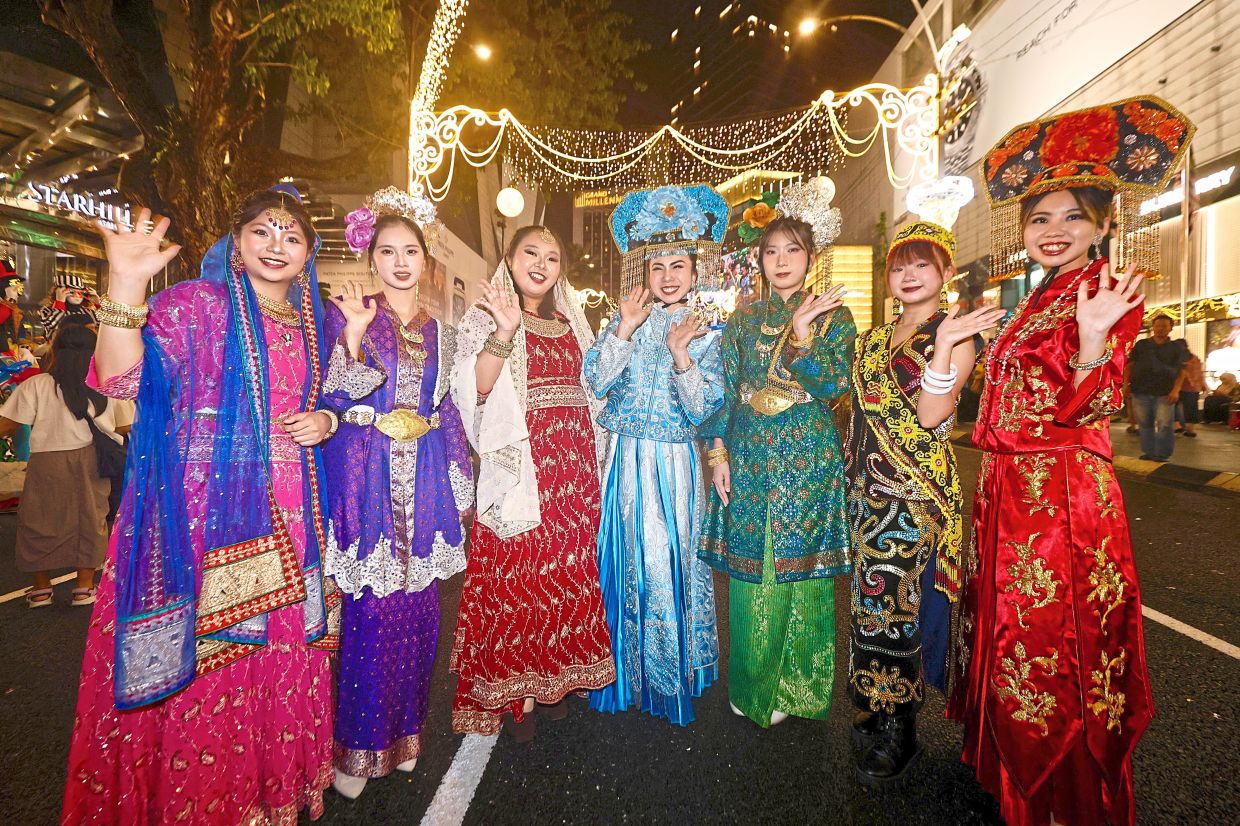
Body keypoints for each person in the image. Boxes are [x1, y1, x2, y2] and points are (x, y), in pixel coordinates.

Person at [62, 187, 342, 824]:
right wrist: (126, 285)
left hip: (295, 510)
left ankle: (263, 796)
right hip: (202, 509)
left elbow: (332, 401)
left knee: (281, 653)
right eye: (263, 232)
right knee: (210, 662)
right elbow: (123, 379)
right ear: (236, 243)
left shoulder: (315, 326)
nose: (277, 246)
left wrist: (324, 419)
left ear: (309, 254)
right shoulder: (198, 305)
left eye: (292, 236)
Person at [950, 96, 1195, 826]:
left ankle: (1060, 793)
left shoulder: (1108, 293)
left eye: (1072, 217)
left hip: (1059, 499)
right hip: (1010, 491)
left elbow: (1096, 400)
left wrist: (1092, 342)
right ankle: (1013, 774)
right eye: (1039, 218)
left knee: (1051, 638)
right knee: (1008, 630)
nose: (1053, 232)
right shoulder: (1036, 297)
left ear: (1106, 223)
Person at [323, 189, 473, 798]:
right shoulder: (351, 314)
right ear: (371, 256)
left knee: (421, 614)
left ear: (426, 256)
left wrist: (462, 480)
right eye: (388, 251)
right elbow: (338, 397)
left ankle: (408, 736)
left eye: (410, 250)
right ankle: (358, 751)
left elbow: (449, 409)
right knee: (370, 614)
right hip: (369, 472)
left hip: (428, 475)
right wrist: (356, 335)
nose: (401, 261)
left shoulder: (442, 330)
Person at [845, 222, 1003, 784]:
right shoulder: (870, 339)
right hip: (866, 491)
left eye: (922, 265)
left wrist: (939, 345)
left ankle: (903, 729)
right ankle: (878, 703)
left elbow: (932, 415)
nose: (908, 276)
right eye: (899, 266)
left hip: (915, 495)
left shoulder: (957, 334)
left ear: (945, 272)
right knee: (868, 606)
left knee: (901, 610)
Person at [449, 225, 615, 741]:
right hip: (523, 467)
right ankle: (517, 696)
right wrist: (504, 327)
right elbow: (475, 386)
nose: (542, 263)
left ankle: (555, 685)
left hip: (575, 471)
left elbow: (595, 388)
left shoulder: (574, 323)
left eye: (552, 255)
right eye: (530, 253)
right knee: (519, 576)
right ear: (510, 257)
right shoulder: (486, 316)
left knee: (565, 573)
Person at [699, 181, 855, 729]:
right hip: (750, 453)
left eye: (793, 250)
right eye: (771, 251)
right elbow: (723, 389)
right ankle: (752, 682)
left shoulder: (836, 315)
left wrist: (803, 336)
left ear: (811, 258)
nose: (781, 261)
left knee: (803, 574)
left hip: (808, 456)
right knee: (751, 576)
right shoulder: (741, 321)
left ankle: (801, 684)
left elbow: (836, 384)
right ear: (758, 259)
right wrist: (718, 455)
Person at [583, 185, 726, 726]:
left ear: (695, 271)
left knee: (673, 562)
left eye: (679, 265)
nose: (668, 275)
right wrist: (623, 327)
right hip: (625, 462)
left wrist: (681, 354)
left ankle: (673, 671)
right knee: (625, 559)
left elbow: (704, 410)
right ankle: (625, 670)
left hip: (676, 469)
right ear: (643, 273)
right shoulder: (622, 322)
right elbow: (595, 380)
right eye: (658, 266)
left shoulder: (707, 335)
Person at [0, 324, 131, 607]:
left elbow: (7, 425)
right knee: (90, 518)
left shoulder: (36, 385)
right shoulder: (108, 386)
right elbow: (125, 426)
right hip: (92, 459)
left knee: (38, 519)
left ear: (56, 351)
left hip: (47, 460)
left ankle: (41, 589)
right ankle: (84, 588)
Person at [1128, 313, 1188, 461]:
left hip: (1165, 392)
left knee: (1165, 424)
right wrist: (1125, 384)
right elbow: (1130, 365)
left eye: (1164, 326)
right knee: (1144, 423)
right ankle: (1148, 452)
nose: (1160, 329)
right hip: (1140, 390)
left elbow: (1182, 370)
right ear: (1153, 327)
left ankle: (1162, 454)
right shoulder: (1141, 345)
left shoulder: (1176, 347)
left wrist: (1176, 390)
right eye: (1158, 326)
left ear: (1170, 329)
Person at [1175, 348, 1204, 437]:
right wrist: (1202, 384)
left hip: (1179, 386)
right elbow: (1200, 373)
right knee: (1191, 408)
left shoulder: (1178, 358)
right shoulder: (1195, 358)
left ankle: (1176, 425)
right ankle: (1190, 429)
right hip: (1194, 387)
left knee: (1173, 405)